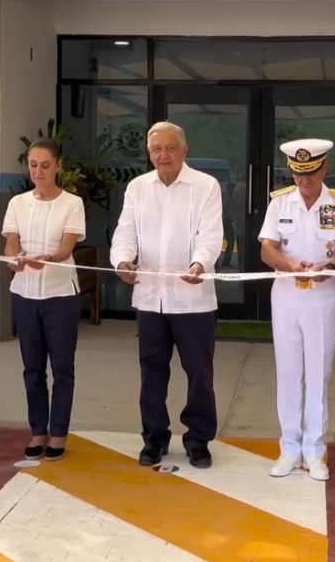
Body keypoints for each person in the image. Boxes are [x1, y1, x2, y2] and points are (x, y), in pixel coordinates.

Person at [110, 121, 224, 469]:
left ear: (184, 150)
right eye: (156, 149)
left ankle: (198, 440)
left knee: (199, 373)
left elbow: (210, 234)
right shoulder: (137, 188)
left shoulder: (205, 186)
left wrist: (199, 263)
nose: (163, 155)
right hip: (150, 298)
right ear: (149, 153)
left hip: (193, 298)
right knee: (152, 372)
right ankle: (154, 438)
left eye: (170, 148)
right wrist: (122, 261)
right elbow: (125, 232)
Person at [259, 139, 335, 481]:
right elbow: (267, 249)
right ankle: (289, 448)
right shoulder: (279, 203)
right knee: (288, 373)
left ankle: (315, 452)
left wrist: (327, 267)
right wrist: (288, 266)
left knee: (318, 373)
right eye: (299, 174)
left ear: (325, 168)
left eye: (312, 173)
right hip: (286, 295)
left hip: (322, 296)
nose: (305, 181)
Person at [2, 137, 85, 462]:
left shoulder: (72, 203)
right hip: (24, 294)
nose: (39, 171)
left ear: (58, 166)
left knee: (62, 367)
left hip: (60, 295)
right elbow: (11, 242)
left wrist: (47, 257)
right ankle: (38, 430)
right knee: (32, 368)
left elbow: (67, 249)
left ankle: (59, 433)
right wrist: (15, 258)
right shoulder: (18, 203)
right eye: (33, 165)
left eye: (45, 165)